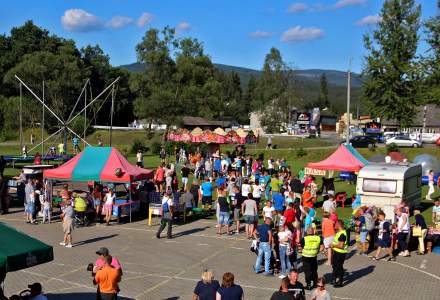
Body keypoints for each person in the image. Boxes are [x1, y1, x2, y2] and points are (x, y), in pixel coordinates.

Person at [331, 220, 348, 288]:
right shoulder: (339, 232)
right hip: (336, 252)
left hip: (340, 253)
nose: (334, 225)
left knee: (339, 267)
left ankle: (340, 282)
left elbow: (341, 246)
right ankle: (334, 280)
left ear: (339, 225)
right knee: (335, 266)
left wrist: (333, 246)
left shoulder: (342, 234)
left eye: (335, 224)